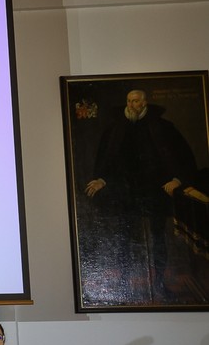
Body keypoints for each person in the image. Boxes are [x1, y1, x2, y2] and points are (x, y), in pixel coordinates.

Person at [84, 89, 198, 298]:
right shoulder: (115, 129)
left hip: (156, 191)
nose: (131, 105)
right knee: (123, 239)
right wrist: (101, 179)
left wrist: (177, 179)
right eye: (129, 101)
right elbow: (108, 160)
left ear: (144, 103)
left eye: (136, 101)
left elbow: (182, 156)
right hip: (125, 192)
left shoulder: (163, 127)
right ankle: (125, 286)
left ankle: (159, 283)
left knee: (158, 238)